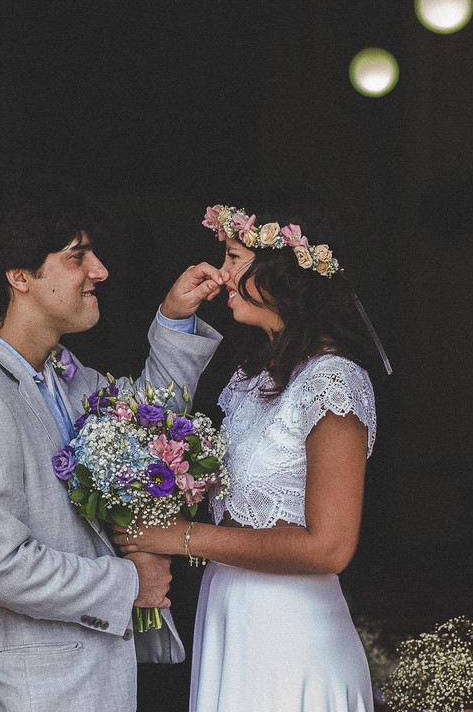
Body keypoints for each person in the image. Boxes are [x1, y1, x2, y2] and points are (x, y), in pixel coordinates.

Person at [0, 187, 225, 712]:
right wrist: (130, 582)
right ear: (20, 277)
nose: (100, 271)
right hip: (30, 693)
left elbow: (147, 427)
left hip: (88, 680)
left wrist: (174, 319)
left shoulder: (61, 372)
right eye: (77, 256)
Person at [115, 202, 392, 712]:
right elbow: (151, 421)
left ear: (283, 270)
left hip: (290, 634)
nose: (222, 273)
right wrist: (175, 319)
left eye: (235, 256)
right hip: (229, 614)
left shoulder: (332, 381)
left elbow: (330, 547)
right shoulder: (254, 377)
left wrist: (180, 537)